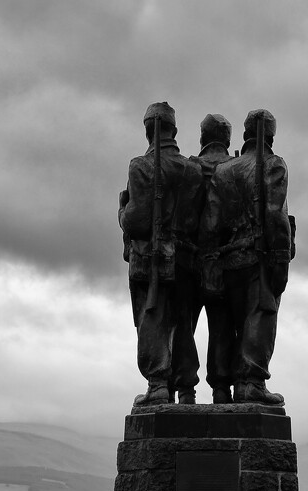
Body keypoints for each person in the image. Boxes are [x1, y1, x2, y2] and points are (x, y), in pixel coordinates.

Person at [203, 109, 293, 404]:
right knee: (260, 315)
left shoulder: (224, 171)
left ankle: (222, 388)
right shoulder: (273, 165)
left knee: (225, 325)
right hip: (260, 258)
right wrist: (280, 260)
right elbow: (275, 217)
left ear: (245, 136)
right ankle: (251, 383)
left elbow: (211, 224)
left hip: (229, 260)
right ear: (270, 136)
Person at [118, 102, 204, 405]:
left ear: (147, 130)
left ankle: (158, 385)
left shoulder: (139, 166)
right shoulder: (193, 170)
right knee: (183, 324)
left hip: (150, 259)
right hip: (187, 260)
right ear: (174, 130)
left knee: (153, 319)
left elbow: (137, 220)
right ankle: (186, 389)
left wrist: (122, 209)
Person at [190, 114, 235, 404]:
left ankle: (184, 390)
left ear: (202, 138)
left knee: (182, 326)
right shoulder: (236, 169)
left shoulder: (189, 167)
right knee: (222, 326)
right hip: (227, 258)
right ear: (228, 140)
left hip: (189, 259)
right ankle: (221, 388)